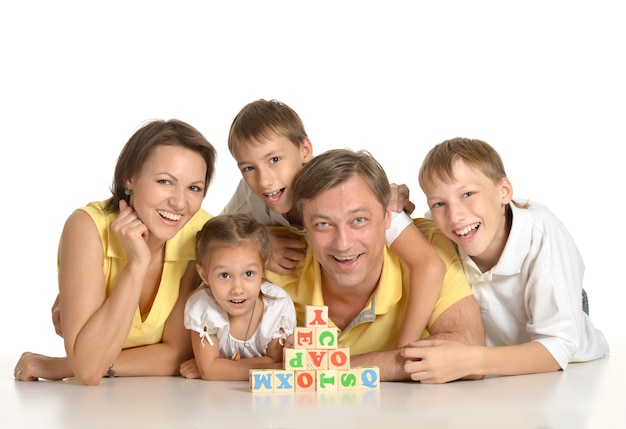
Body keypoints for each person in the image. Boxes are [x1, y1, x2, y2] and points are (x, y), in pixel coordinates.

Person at [221, 99, 445, 347]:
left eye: (274, 159)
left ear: (305, 150)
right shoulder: (250, 198)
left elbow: (428, 263)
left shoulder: (347, 194)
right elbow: (209, 239)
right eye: (249, 167)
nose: (264, 181)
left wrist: (404, 351)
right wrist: (257, 243)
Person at [14, 119, 217, 385]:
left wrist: (67, 365)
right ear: (129, 178)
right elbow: (87, 371)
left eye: (194, 188)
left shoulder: (199, 232)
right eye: (165, 181)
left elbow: (177, 354)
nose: (180, 202)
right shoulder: (87, 229)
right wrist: (137, 264)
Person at [264, 148, 485, 382]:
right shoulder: (273, 258)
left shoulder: (429, 246)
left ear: (388, 218)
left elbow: (469, 359)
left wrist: (319, 367)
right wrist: (400, 362)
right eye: (323, 224)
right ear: (305, 226)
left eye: (359, 220)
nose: (343, 243)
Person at [402, 137, 609, 382]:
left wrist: (471, 360)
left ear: (504, 191)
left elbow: (557, 348)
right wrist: (392, 201)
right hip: (499, 354)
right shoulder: (444, 228)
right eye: (439, 203)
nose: (455, 215)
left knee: (558, 307)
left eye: (468, 193)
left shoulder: (540, 234)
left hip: (570, 362)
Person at [180, 214, 296, 381]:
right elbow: (210, 371)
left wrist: (221, 368)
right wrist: (275, 368)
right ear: (204, 275)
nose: (237, 289)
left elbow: (276, 360)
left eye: (248, 273)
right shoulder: (202, 306)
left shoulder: (278, 304)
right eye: (224, 275)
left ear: (263, 269)